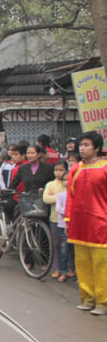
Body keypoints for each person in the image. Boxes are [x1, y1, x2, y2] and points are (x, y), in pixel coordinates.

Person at [66, 131, 107, 315]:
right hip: (79, 225)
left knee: (101, 266)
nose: (82, 148)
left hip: (101, 224)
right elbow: (70, 197)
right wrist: (67, 219)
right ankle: (87, 298)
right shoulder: (75, 169)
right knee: (82, 264)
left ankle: (102, 302)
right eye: (81, 144)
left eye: (87, 145)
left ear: (97, 148)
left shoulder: (105, 168)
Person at [43, 161, 74, 282]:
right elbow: (46, 198)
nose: (58, 173)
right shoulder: (51, 184)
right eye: (56, 170)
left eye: (61, 170)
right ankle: (57, 268)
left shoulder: (69, 184)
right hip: (55, 219)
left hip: (69, 221)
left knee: (69, 246)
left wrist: (56, 198)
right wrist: (60, 197)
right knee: (56, 244)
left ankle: (71, 268)